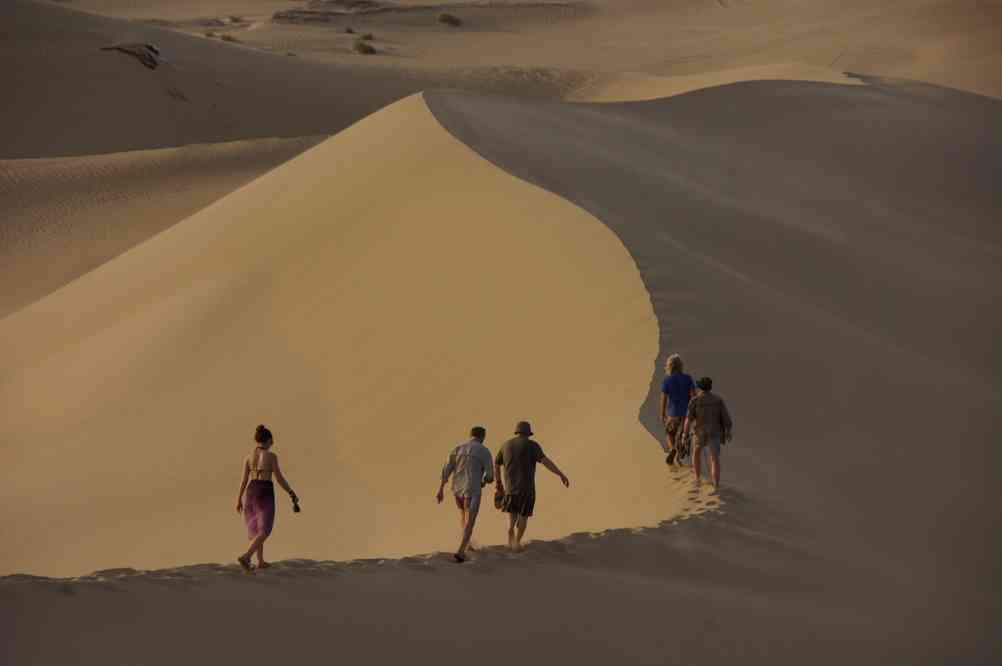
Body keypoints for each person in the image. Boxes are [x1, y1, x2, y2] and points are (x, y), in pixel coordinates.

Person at [494, 421, 569, 551]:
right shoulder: (532, 446)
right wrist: (560, 474)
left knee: (511, 518)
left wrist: (498, 483)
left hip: (510, 490)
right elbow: (545, 462)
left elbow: (496, 464)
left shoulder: (505, 445)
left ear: (516, 432)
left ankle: (510, 540)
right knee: (523, 517)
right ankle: (516, 542)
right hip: (527, 490)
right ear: (529, 433)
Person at [235, 424, 299, 573]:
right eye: (272, 440)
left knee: (256, 528)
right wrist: (291, 492)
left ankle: (261, 561)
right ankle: (247, 556)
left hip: (251, 491)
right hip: (264, 491)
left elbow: (243, 480)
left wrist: (238, 499)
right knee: (265, 529)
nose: (273, 443)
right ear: (268, 440)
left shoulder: (248, 457)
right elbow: (279, 478)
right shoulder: (271, 456)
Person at [436, 425, 494, 563]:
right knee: (470, 520)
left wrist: (440, 490)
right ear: (483, 437)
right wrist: (485, 481)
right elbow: (490, 475)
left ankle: (467, 543)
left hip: (457, 489)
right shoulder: (484, 451)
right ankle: (461, 551)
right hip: (472, 489)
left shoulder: (458, 448)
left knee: (463, 516)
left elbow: (446, 469)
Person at [682, 377, 733, 490]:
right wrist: (728, 432)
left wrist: (684, 435)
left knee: (696, 453)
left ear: (700, 387)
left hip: (699, 433)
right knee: (714, 458)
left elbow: (688, 420)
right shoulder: (718, 400)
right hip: (714, 433)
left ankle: (697, 478)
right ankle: (716, 484)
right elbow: (726, 419)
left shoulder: (694, 400)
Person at [659, 353, 695, 466]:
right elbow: (694, 396)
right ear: (680, 366)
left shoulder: (667, 380)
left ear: (669, 366)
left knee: (670, 434)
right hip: (686, 414)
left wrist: (662, 413)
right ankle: (679, 458)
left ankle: (673, 449)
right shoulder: (688, 378)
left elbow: (663, 399)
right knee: (683, 436)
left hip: (672, 413)